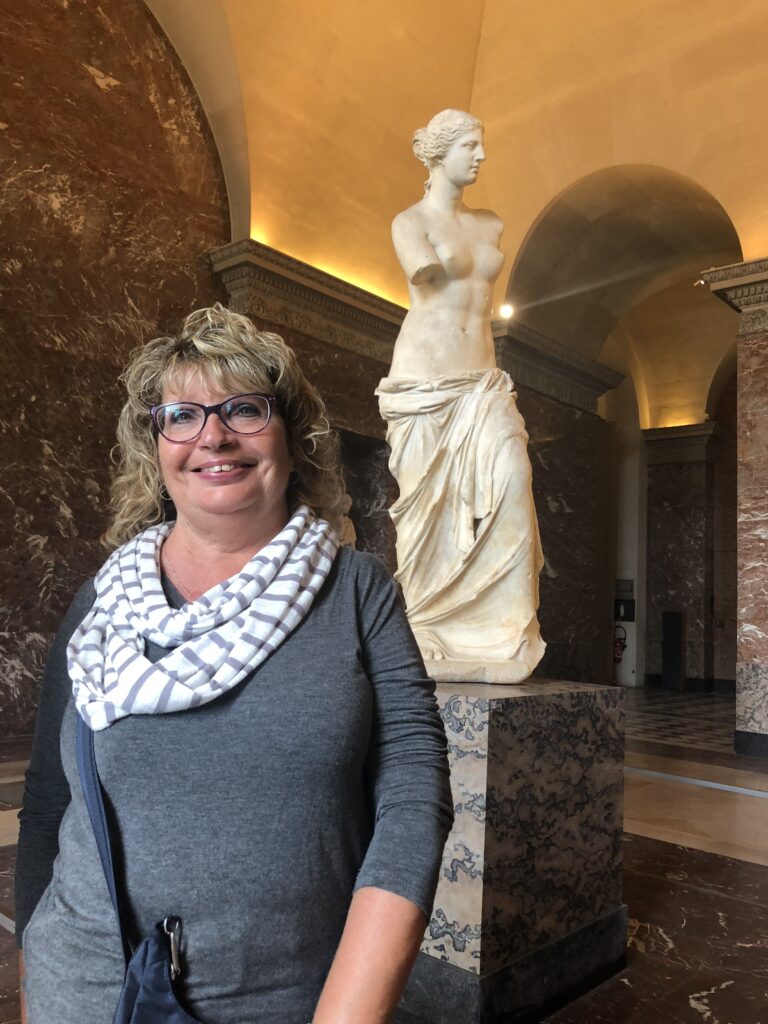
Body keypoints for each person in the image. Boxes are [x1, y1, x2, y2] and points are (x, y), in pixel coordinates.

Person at [15, 304, 454, 1024]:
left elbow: (412, 801)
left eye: (243, 409)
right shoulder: (101, 601)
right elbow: (49, 802)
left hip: (297, 999)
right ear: (153, 444)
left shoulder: (355, 590)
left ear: (291, 433)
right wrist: (39, 985)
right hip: (90, 989)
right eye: (181, 415)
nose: (212, 436)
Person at [377, 109, 545, 678]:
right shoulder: (409, 224)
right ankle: (428, 624)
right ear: (439, 154)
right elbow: (424, 277)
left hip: (484, 382)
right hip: (425, 380)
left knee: (514, 484)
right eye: (470, 146)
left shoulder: (491, 224)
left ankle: (503, 632)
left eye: (481, 145)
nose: (480, 156)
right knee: (428, 520)